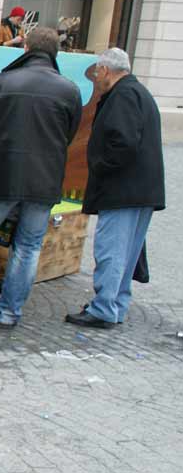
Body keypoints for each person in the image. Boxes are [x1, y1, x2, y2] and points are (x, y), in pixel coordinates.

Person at [0, 28, 81, 329]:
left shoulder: (1, 83)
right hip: (45, 180)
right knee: (29, 246)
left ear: (26, 47)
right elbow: (68, 136)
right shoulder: (69, 90)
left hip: (3, 176)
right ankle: (9, 313)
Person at [65, 49, 165, 329]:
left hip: (122, 190)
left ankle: (104, 308)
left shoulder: (122, 96)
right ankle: (114, 306)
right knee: (126, 252)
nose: (95, 77)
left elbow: (123, 143)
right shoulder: (138, 92)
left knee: (112, 250)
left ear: (106, 70)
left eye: (97, 72)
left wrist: (99, 165)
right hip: (140, 190)